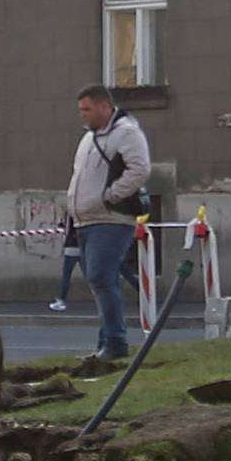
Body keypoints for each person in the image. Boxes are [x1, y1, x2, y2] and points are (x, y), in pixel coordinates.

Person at [66, 84, 152, 370]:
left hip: (110, 218)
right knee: (98, 280)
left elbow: (139, 169)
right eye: (81, 110)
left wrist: (110, 196)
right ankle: (106, 342)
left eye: (87, 109)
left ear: (104, 107)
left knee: (102, 277)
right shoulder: (88, 139)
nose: (83, 115)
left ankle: (115, 342)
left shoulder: (126, 132)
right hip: (86, 219)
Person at [47, 213, 80, 313]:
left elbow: (67, 231)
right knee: (90, 275)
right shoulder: (84, 214)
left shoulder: (70, 213)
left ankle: (62, 300)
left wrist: (62, 226)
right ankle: (100, 298)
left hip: (71, 247)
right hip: (83, 246)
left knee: (66, 276)